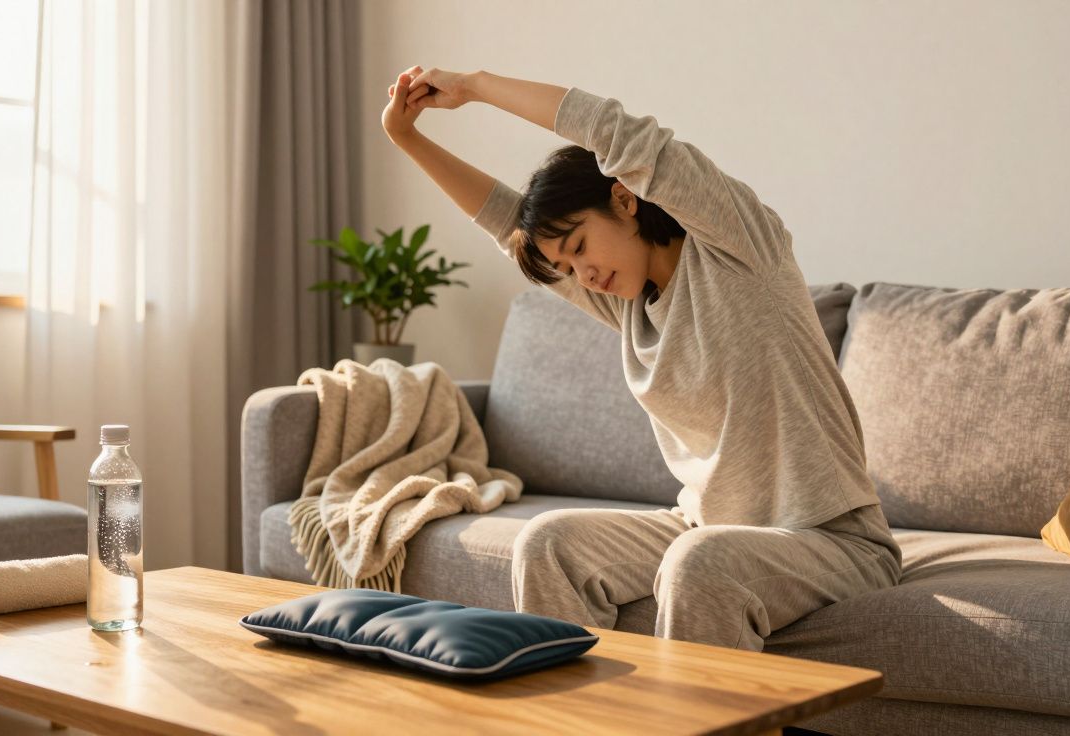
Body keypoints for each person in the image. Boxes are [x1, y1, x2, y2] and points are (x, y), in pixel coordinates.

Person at [381, 66, 902, 651]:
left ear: (625, 198)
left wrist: (473, 86)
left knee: (699, 563)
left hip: (833, 540)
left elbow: (614, 132)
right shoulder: (628, 305)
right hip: (707, 525)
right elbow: (508, 224)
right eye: (568, 267)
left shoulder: (738, 248)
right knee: (547, 543)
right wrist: (409, 138)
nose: (585, 276)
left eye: (580, 246)